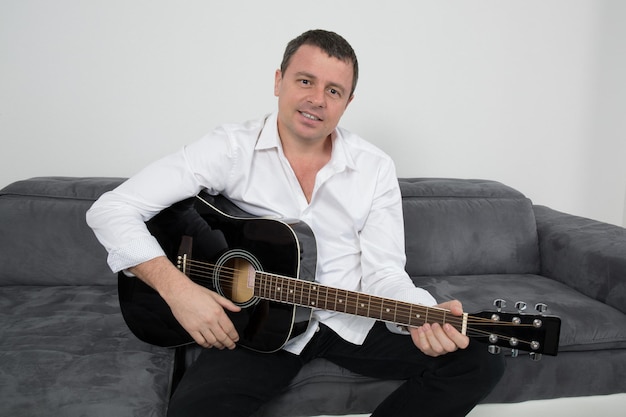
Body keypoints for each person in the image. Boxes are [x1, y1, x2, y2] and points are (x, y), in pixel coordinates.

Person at [87, 29, 504, 417]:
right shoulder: (230, 149)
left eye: (334, 90)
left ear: (347, 102)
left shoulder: (374, 167)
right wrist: (177, 290)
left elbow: (385, 270)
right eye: (305, 81)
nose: (318, 99)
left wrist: (421, 313)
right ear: (278, 81)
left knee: (478, 360)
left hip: (347, 316)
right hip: (255, 322)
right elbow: (110, 210)